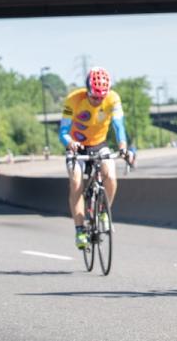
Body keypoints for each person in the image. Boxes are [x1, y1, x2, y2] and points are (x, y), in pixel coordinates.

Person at [59, 66, 133, 250]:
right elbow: (62, 131)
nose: (97, 101)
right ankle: (79, 230)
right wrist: (70, 143)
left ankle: (103, 213)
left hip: (99, 143)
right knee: (76, 182)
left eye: (101, 97)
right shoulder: (73, 100)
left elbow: (118, 126)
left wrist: (122, 145)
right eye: (94, 97)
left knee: (110, 176)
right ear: (87, 91)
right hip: (76, 145)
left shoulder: (113, 99)